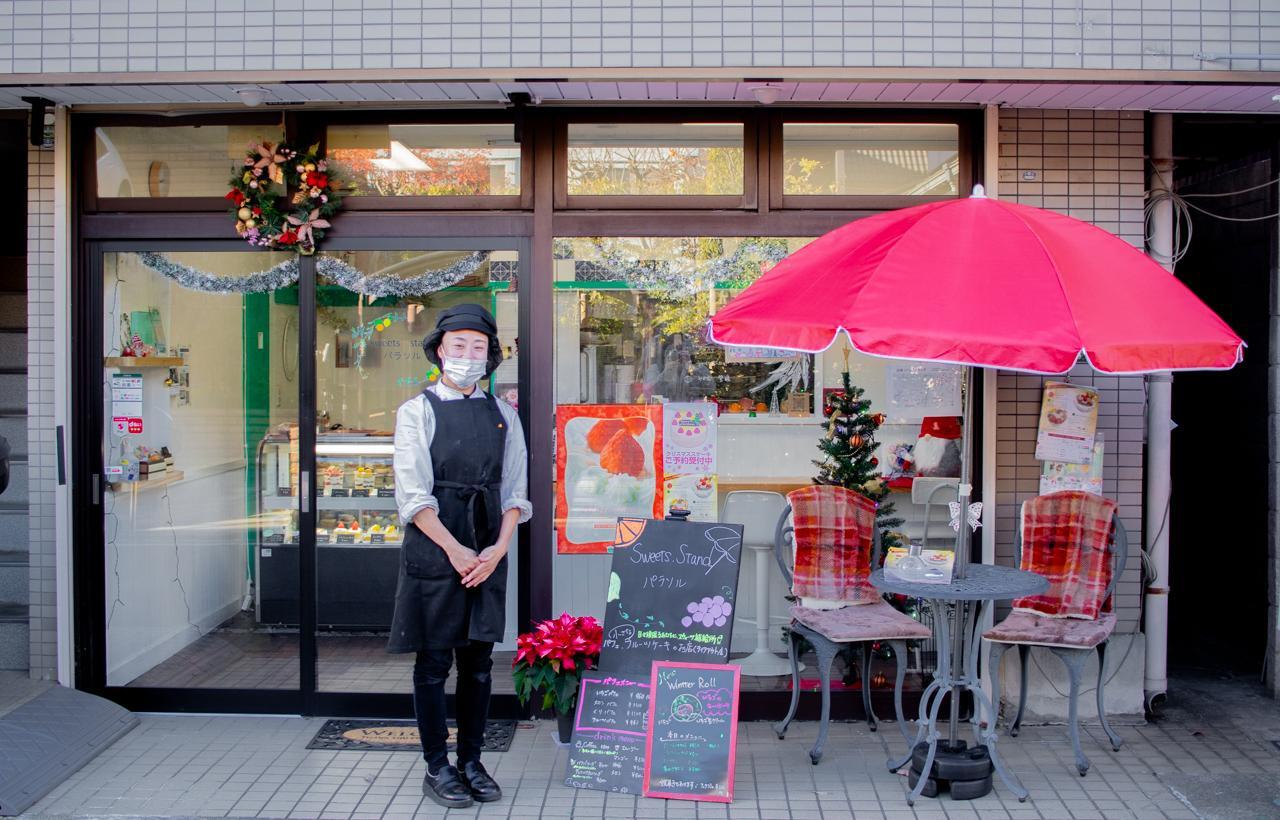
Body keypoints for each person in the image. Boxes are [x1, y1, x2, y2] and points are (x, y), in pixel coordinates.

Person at [389, 303, 531, 809]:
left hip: (489, 542)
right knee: (432, 661)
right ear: (440, 352)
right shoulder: (417, 411)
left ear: (490, 356)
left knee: (477, 663)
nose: (468, 355)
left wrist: (496, 550)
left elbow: (516, 489)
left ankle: (472, 760)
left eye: (478, 347)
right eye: (458, 346)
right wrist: (457, 551)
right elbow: (412, 496)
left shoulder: (504, 414)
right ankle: (437, 765)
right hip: (435, 545)